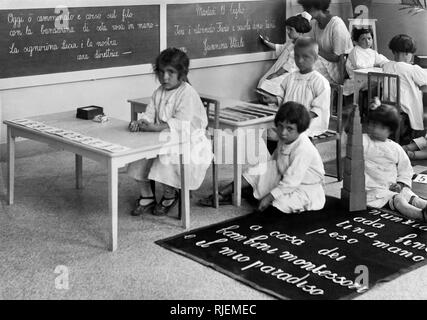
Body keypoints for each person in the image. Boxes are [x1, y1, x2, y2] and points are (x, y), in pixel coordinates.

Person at [199, 101, 326, 214]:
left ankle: (250, 193)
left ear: (300, 130)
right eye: (280, 126)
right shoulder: (284, 138)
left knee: (277, 206)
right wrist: (261, 177)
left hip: (305, 186)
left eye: (289, 129)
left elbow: (291, 182)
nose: (283, 132)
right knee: (256, 171)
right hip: (284, 175)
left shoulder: (303, 148)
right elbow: (273, 160)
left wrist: (269, 197)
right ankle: (222, 193)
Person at [127, 48, 212, 216]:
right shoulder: (158, 92)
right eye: (161, 72)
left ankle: (169, 195)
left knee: (166, 158)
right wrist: (141, 122)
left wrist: (155, 128)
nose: (164, 77)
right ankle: (147, 196)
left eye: (170, 72)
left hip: (190, 142)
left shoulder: (187, 93)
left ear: (182, 73)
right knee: (137, 157)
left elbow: (182, 124)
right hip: (164, 138)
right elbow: (150, 113)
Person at [363, 101, 427, 222]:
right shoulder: (364, 141)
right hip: (372, 188)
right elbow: (351, 142)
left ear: (390, 131)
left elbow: (406, 169)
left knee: (410, 196)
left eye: (382, 128)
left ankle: (423, 205)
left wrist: (401, 184)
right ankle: (419, 215)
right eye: (374, 124)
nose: (376, 129)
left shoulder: (395, 148)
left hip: (393, 186)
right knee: (399, 200)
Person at [257, 12, 312, 103]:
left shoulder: (301, 46)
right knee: (263, 82)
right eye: (287, 29)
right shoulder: (292, 42)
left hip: (288, 74)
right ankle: (271, 106)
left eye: (290, 30)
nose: (287, 32)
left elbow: (289, 66)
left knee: (268, 85)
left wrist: (276, 74)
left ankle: (275, 107)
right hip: (280, 69)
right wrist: (266, 42)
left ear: (300, 31)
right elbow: (280, 48)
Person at [382, 34, 427, 144]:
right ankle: (416, 144)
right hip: (406, 112)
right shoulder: (412, 69)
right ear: (407, 53)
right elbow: (424, 85)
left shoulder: (386, 66)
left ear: (393, 51)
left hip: (389, 107)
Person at [298, 0, 353, 84]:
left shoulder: (336, 24)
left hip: (337, 70)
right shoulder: (315, 24)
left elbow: (337, 57)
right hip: (323, 64)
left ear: (317, 7)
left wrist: (315, 50)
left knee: (305, 67)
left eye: (307, 8)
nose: (304, 12)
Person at [343, 27, 389, 96]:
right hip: (357, 79)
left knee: (386, 79)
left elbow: (382, 60)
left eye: (369, 38)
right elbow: (359, 65)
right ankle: (370, 102)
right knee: (379, 82)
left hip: (369, 77)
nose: (367, 41)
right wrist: (374, 65)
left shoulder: (372, 52)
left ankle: (381, 100)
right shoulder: (355, 51)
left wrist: (387, 64)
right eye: (363, 39)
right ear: (356, 42)